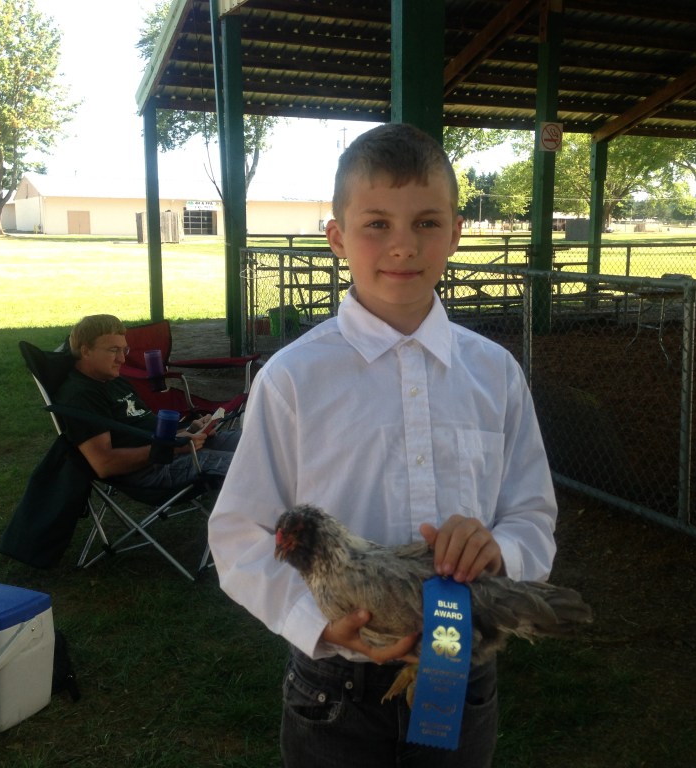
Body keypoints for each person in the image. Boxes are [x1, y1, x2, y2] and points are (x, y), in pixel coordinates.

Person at [207, 123, 558, 767]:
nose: (403, 246)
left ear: (456, 231)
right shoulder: (293, 378)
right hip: (336, 690)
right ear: (337, 237)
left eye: (427, 222)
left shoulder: (495, 373)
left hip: (458, 668)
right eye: (376, 224)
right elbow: (237, 533)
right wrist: (312, 623)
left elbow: (532, 514)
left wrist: (499, 548)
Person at [56, 314, 239, 488]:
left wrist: (189, 431)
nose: (122, 359)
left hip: (170, 448)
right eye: (113, 350)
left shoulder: (114, 380)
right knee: (249, 466)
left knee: (253, 441)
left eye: (124, 350)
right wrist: (172, 448)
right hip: (151, 469)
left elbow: (146, 429)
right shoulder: (81, 396)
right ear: (86, 351)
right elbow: (104, 464)